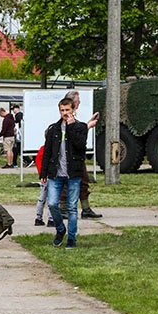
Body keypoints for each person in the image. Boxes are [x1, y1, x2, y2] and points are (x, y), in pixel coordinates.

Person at [40, 97, 89, 249]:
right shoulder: (54, 129)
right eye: (62, 110)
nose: (65, 113)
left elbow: (80, 146)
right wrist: (43, 173)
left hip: (73, 173)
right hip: (56, 173)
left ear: (74, 110)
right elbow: (47, 151)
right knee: (53, 203)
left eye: (68, 110)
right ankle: (60, 229)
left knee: (72, 208)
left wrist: (71, 127)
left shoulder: (80, 127)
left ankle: (72, 238)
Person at [64, 90, 102, 219]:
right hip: (69, 157)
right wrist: (88, 126)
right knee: (66, 181)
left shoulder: (72, 118)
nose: (79, 102)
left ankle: (85, 208)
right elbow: (73, 135)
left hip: (77, 156)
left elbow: (76, 131)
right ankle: (63, 209)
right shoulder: (66, 119)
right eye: (78, 100)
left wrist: (87, 124)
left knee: (84, 181)